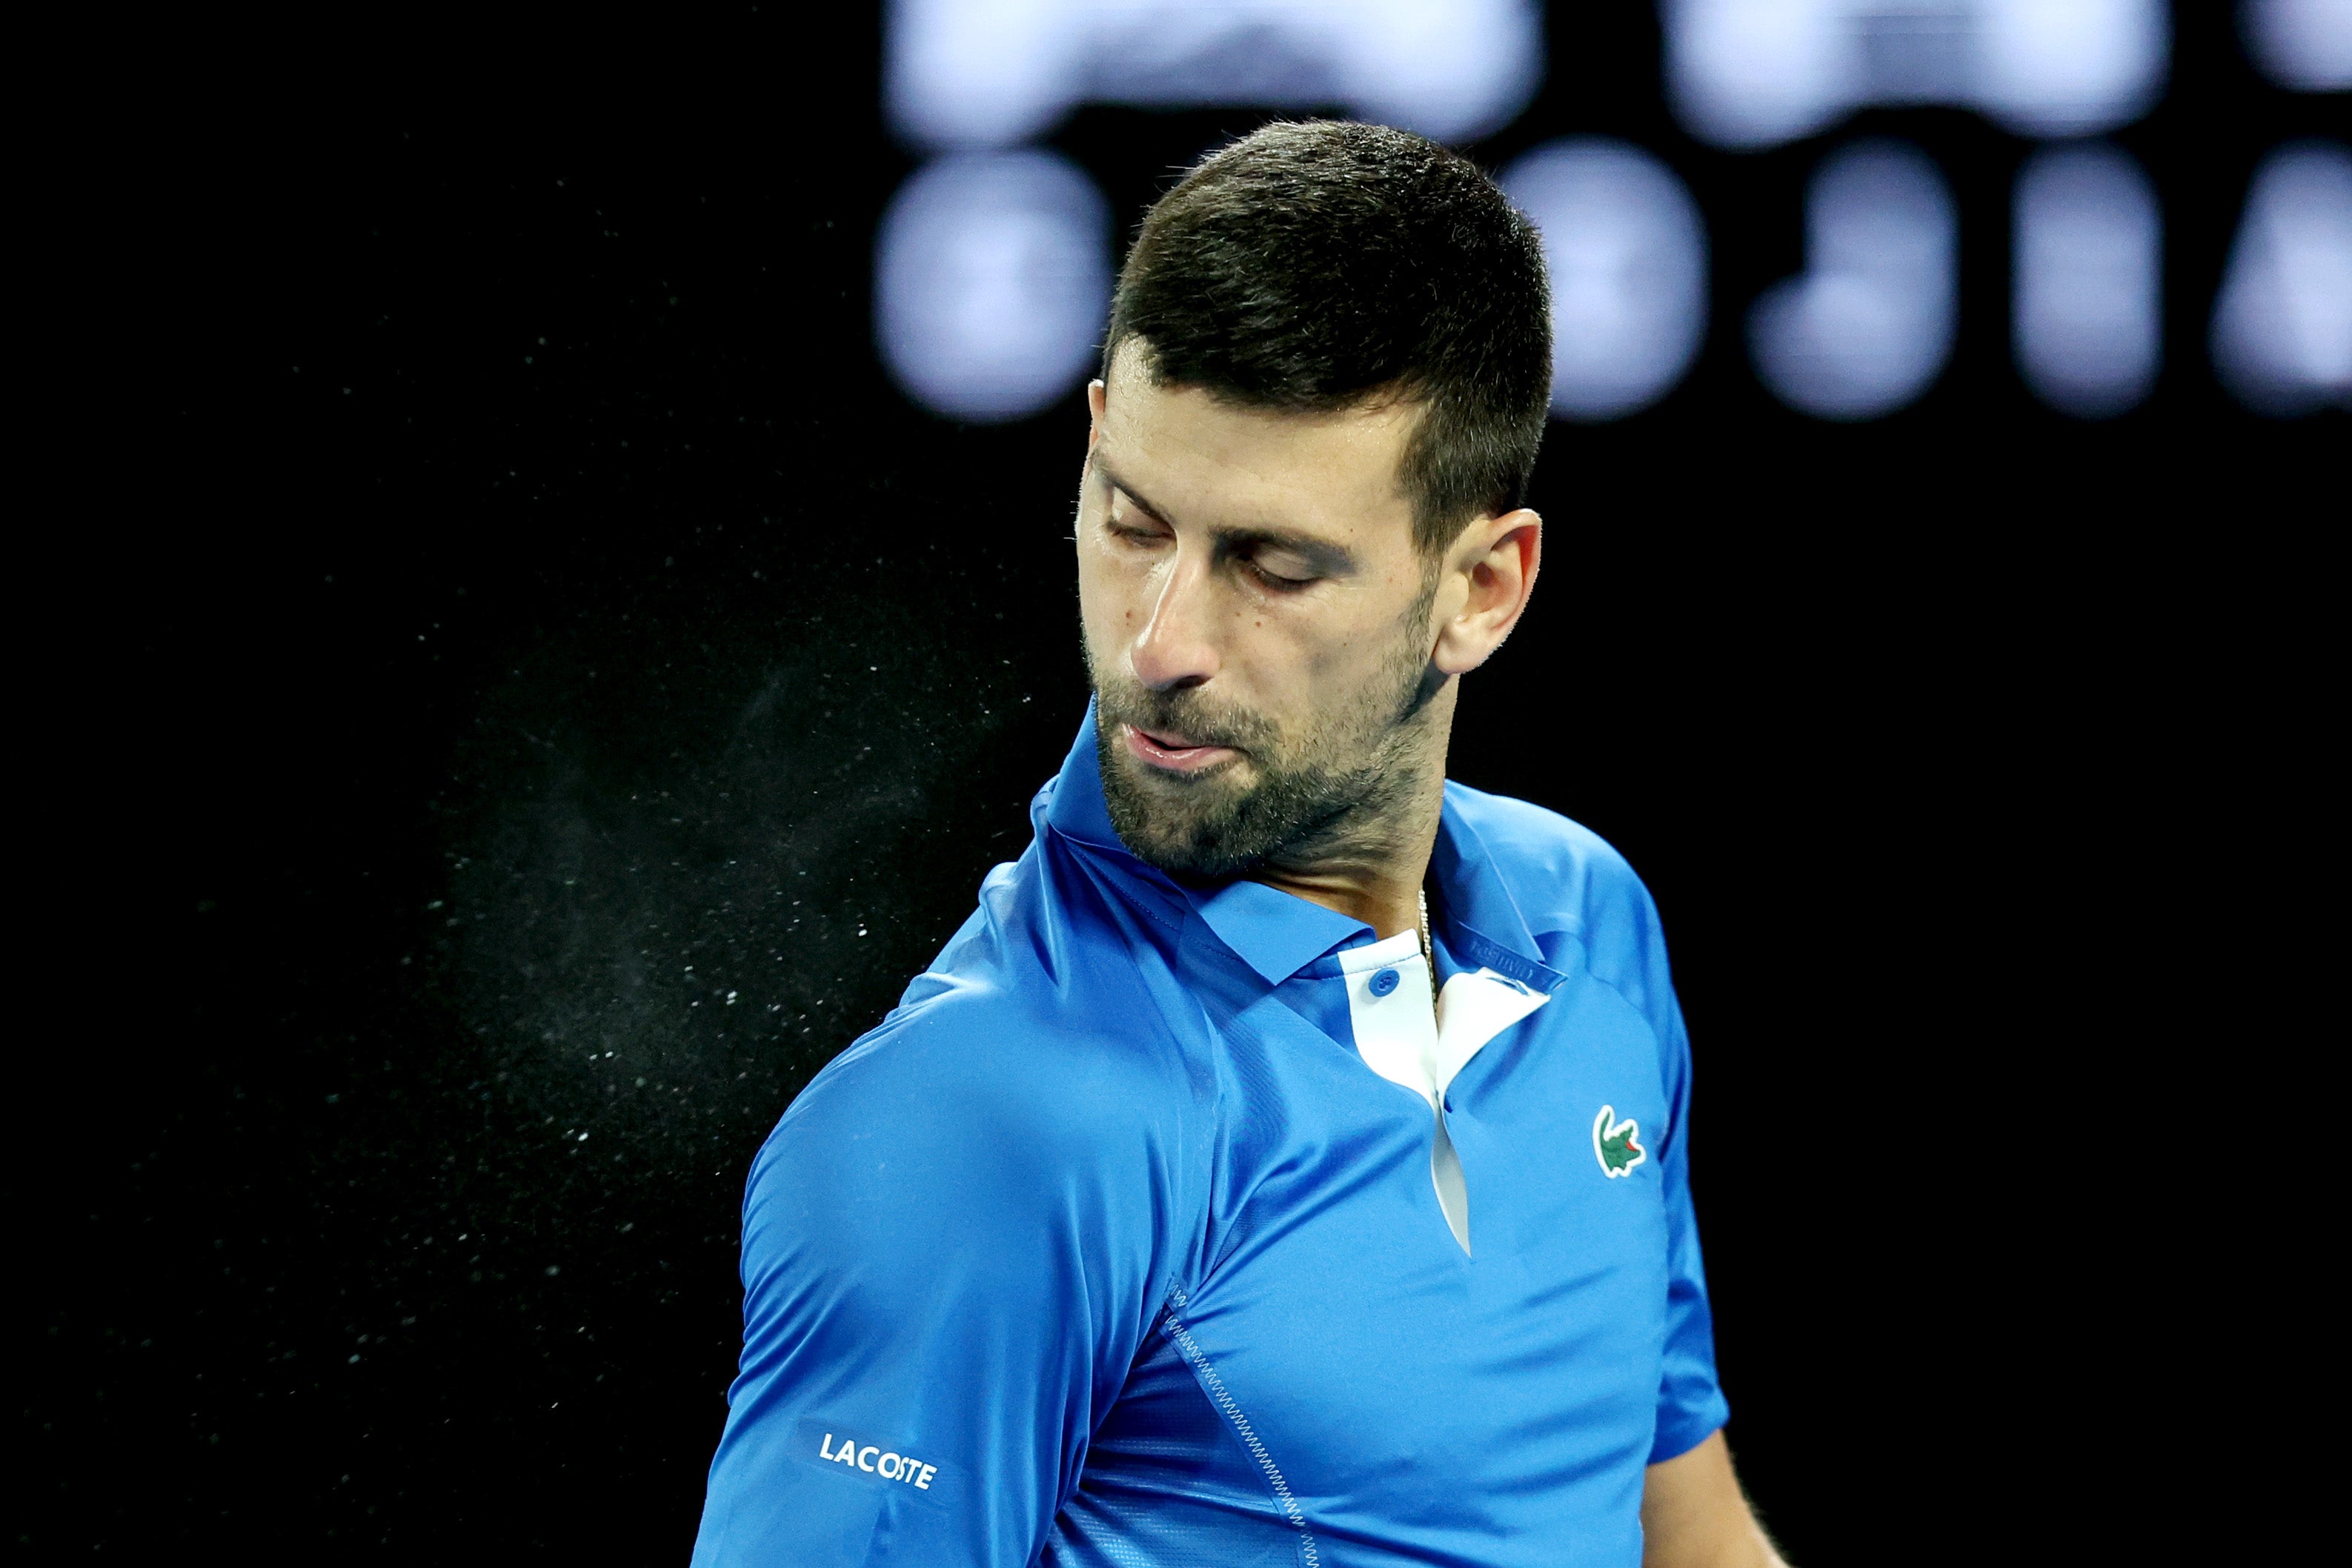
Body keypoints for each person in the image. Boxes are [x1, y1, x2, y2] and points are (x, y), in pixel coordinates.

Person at [692, 120, 1789, 1568]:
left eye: (1271, 565)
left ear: (1483, 587)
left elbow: (1678, 1524)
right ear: (1092, 438)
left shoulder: (1591, 927)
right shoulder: (982, 1126)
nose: (1162, 643)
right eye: (1132, 521)